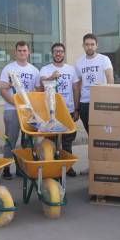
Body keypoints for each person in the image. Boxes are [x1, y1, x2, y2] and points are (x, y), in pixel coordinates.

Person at [0, 41, 41, 179]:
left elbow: (37, 90)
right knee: (11, 140)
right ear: (15, 52)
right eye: (20, 50)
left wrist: (30, 106)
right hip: (12, 109)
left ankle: (23, 168)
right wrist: (16, 104)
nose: (22, 53)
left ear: (28, 52)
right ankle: (6, 168)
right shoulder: (8, 69)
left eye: (24, 50)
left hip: (29, 111)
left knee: (28, 141)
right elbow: (3, 90)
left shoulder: (34, 70)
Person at [40, 42, 80, 177]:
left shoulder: (71, 69)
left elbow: (75, 89)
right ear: (52, 53)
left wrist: (76, 108)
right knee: (51, 141)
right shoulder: (45, 69)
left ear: (64, 53)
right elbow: (42, 83)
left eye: (61, 51)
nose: (58, 54)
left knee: (68, 140)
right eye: (56, 51)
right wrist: (52, 76)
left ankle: (67, 167)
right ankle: (52, 167)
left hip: (67, 110)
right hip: (51, 111)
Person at [75, 33, 114, 134]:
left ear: (97, 45)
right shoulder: (79, 62)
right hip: (84, 103)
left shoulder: (104, 59)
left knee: (102, 132)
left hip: (100, 101)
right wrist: (77, 106)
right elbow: (78, 84)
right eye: (87, 44)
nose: (90, 47)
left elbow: (110, 78)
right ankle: (93, 149)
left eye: (92, 44)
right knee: (90, 133)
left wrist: (110, 99)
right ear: (83, 46)